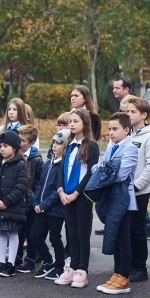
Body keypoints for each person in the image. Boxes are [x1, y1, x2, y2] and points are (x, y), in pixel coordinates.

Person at [93, 112, 139, 295]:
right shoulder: (112, 146)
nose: (111, 132)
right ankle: (117, 273)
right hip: (111, 197)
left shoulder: (130, 148)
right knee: (115, 236)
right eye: (109, 129)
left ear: (126, 130)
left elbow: (120, 174)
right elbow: (97, 167)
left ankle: (124, 276)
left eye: (115, 129)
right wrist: (106, 168)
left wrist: (106, 168)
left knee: (123, 239)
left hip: (124, 200)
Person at [54, 108, 100, 288]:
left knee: (82, 234)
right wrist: (61, 192)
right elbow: (61, 170)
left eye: (76, 121)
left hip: (82, 196)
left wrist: (76, 193)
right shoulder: (68, 145)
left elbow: (90, 173)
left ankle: (82, 270)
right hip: (66, 195)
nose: (72, 124)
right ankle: (72, 268)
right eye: (70, 121)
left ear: (85, 123)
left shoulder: (91, 146)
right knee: (71, 234)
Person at [125, 96, 150, 282]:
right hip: (125, 191)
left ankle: (141, 267)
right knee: (128, 229)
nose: (128, 114)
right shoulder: (129, 133)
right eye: (127, 111)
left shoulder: (148, 136)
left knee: (137, 230)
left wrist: (137, 185)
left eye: (133, 112)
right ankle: (130, 265)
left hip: (139, 192)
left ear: (144, 115)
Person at [0, 131, 28, 277]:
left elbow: (21, 187)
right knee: (2, 233)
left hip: (12, 207)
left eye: (6, 146)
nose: (2, 149)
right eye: (1, 146)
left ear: (14, 148)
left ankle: (11, 263)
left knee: (13, 233)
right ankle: (2, 261)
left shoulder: (20, 165)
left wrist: (7, 202)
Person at [32, 129, 69, 281]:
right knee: (34, 235)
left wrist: (45, 205)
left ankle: (59, 266)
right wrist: (36, 202)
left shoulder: (64, 166)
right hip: (41, 207)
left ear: (65, 146)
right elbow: (40, 185)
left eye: (58, 143)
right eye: (53, 143)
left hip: (55, 210)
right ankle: (48, 261)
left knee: (54, 237)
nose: (54, 146)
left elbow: (57, 191)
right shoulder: (48, 163)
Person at [15, 124, 42, 273]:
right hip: (18, 200)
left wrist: (34, 200)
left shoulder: (36, 159)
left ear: (31, 143)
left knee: (30, 233)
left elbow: (39, 182)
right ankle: (17, 257)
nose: (19, 143)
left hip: (31, 202)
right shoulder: (16, 155)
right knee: (18, 231)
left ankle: (30, 259)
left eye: (23, 141)